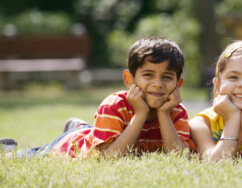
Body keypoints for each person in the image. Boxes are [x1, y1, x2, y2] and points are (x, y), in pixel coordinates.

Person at [1, 36, 195, 158]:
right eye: (148, 75)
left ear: (178, 84)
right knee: (39, 154)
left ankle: (82, 127)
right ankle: (12, 149)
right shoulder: (115, 105)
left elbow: (179, 157)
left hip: (104, 132)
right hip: (73, 145)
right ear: (129, 79)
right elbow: (109, 158)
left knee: (94, 131)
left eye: (167, 77)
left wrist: (163, 114)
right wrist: (141, 113)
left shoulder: (176, 111)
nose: (157, 84)